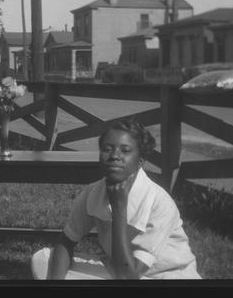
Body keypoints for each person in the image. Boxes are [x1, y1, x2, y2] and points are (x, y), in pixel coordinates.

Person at [31, 118, 201, 280]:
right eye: (107, 149)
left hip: (164, 275)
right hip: (116, 268)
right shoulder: (93, 192)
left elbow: (128, 277)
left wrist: (119, 207)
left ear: (140, 160)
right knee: (44, 258)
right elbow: (66, 241)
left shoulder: (159, 202)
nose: (114, 156)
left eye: (125, 150)